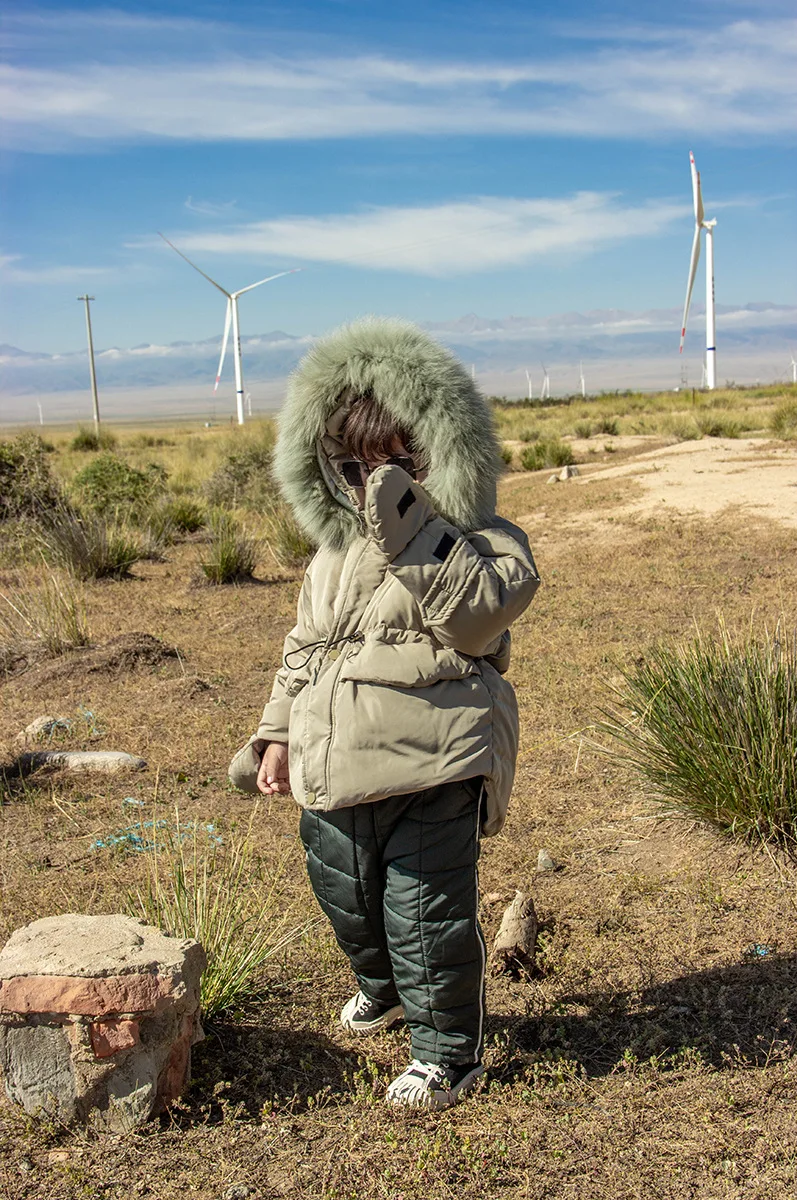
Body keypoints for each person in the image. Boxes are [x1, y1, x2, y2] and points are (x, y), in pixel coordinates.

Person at [231, 317, 539, 1110]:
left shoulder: (485, 541)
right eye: (360, 463)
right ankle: (382, 985)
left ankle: (447, 1056)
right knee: (346, 898)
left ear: (444, 454)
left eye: (401, 461)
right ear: (330, 466)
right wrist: (274, 733)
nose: (379, 480)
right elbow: (304, 646)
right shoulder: (330, 557)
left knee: (424, 916)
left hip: (437, 761)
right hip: (335, 759)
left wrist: (418, 536)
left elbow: (479, 617)